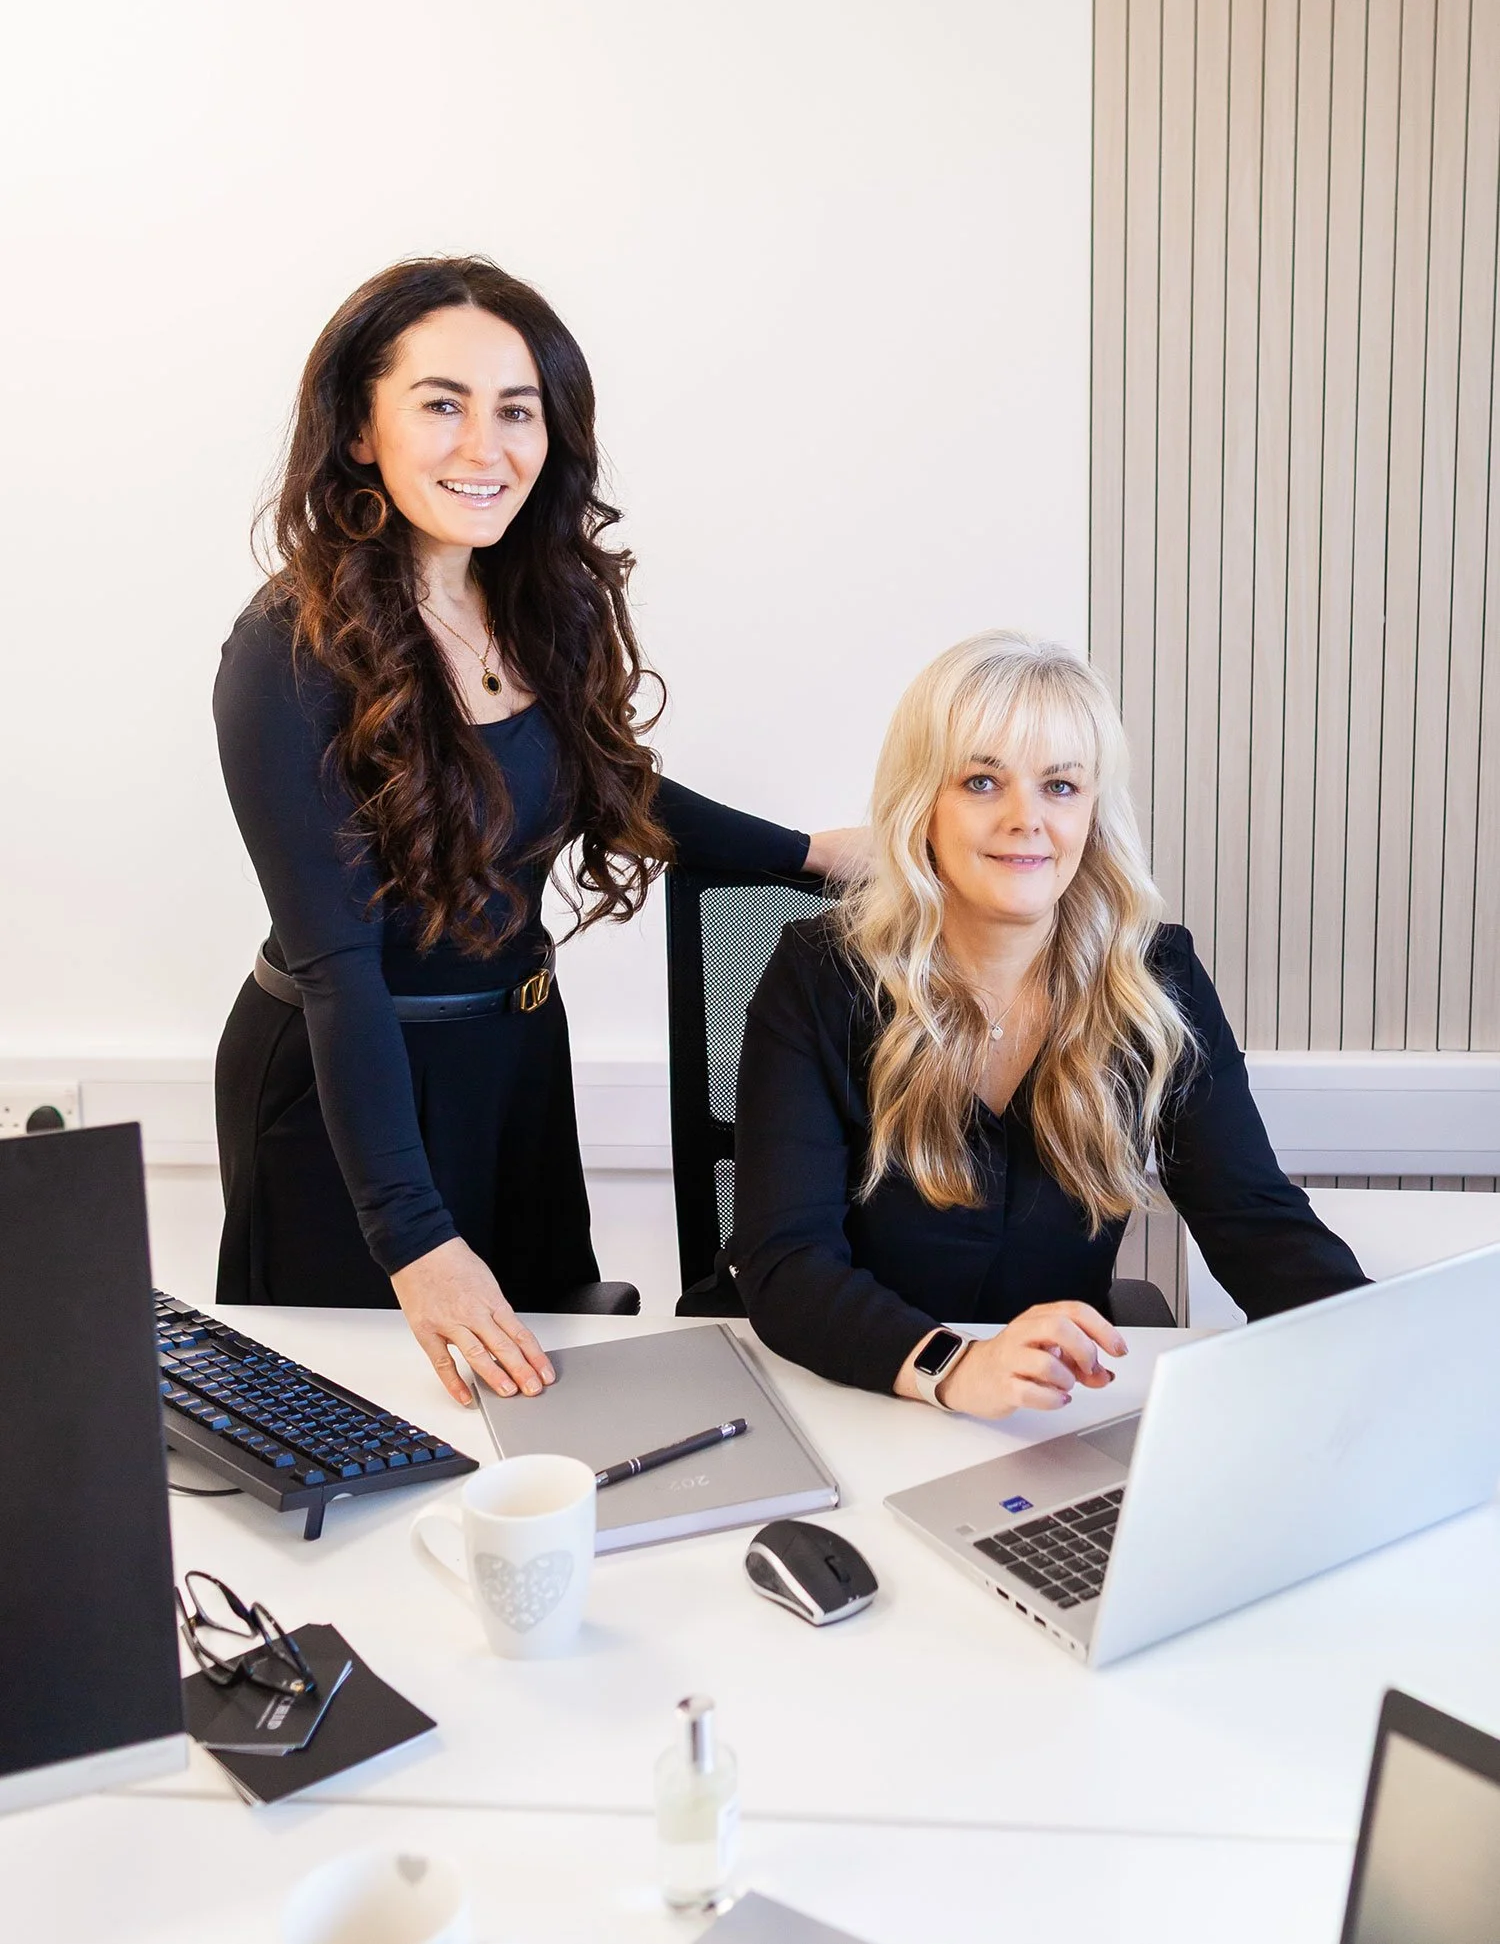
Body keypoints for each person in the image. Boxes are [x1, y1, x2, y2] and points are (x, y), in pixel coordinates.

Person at [214, 256, 858, 1410]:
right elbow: (337, 969)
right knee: (368, 1413)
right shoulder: (286, 651)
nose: (486, 445)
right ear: (360, 429)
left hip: (514, 1050)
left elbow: (605, 783)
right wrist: (414, 1241)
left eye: (517, 410)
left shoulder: (528, 597)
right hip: (347, 1074)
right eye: (442, 403)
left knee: (544, 1381)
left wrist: (805, 852)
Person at [731, 631, 1367, 1418]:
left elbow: (1257, 1222)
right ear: (922, 802)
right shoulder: (821, 972)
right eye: (981, 781)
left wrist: (1379, 1349)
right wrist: (953, 1365)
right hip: (855, 1397)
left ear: (1093, 810)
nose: (1025, 819)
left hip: (1051, 1415)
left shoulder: (1153, 980)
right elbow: (785, 1261)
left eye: (1060, 786)